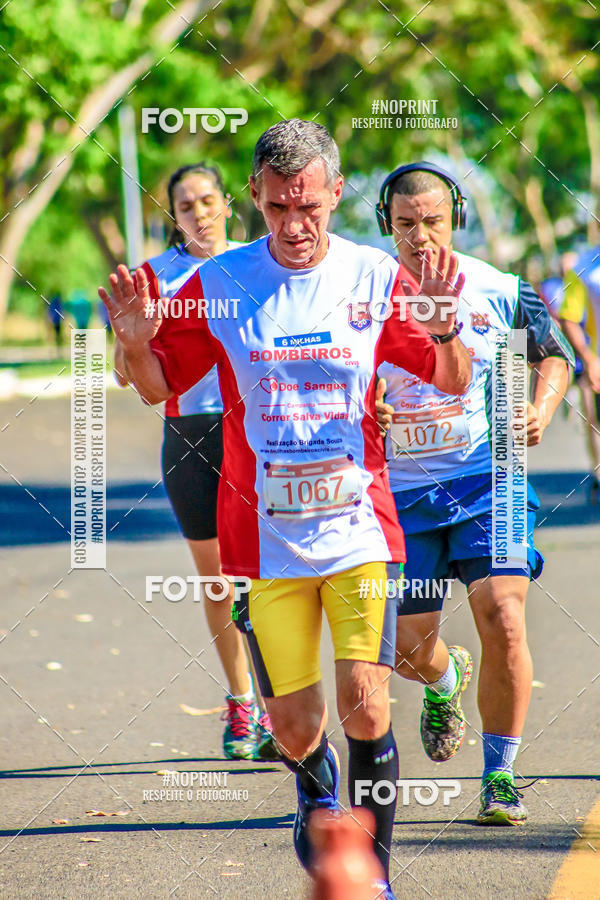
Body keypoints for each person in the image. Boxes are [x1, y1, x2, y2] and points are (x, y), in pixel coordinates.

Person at [99, 120, 472, 898]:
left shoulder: (376, 276)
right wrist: (136, 345)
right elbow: (159, 385)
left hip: (361, 530)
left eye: (309, 207)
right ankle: (317, 794)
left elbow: (451, 379)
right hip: (263, 542)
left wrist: (443, 328)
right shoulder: (222, 283)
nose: (295, 227)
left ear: (336, 194)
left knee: (366, 707)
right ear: (257, 201)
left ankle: (371, 878)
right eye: (276, 209)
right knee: (299, 730)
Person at [374, 162, 573, 826]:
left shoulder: (499, 287)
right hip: (403, 494)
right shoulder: (365, 295)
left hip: (490, 478)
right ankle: (444, 677)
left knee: (504, 616)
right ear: (387, 224)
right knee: (406, 649)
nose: (421, 237)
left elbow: (555, 353)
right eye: (406, 224)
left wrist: (541, 405)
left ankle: (500, 776)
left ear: (454, 215)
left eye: (433, 221)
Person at [113, 162, 276, 762]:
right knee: (217, 581)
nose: (200, 213)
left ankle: (280, 703)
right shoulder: (154, 278)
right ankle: (243, 706)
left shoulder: (259, 261)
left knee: (263, 575)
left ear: (229, 203)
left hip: (258, 430)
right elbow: (126, 374)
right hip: (189, 435)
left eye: (208, 200)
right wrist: (135, 342)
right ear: (173, 216)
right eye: (186, 206)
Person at [559, 245, 600, 501]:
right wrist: (589, 358)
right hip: (598, 359)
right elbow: (569, 317)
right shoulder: (584, 267)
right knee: (595, 424)